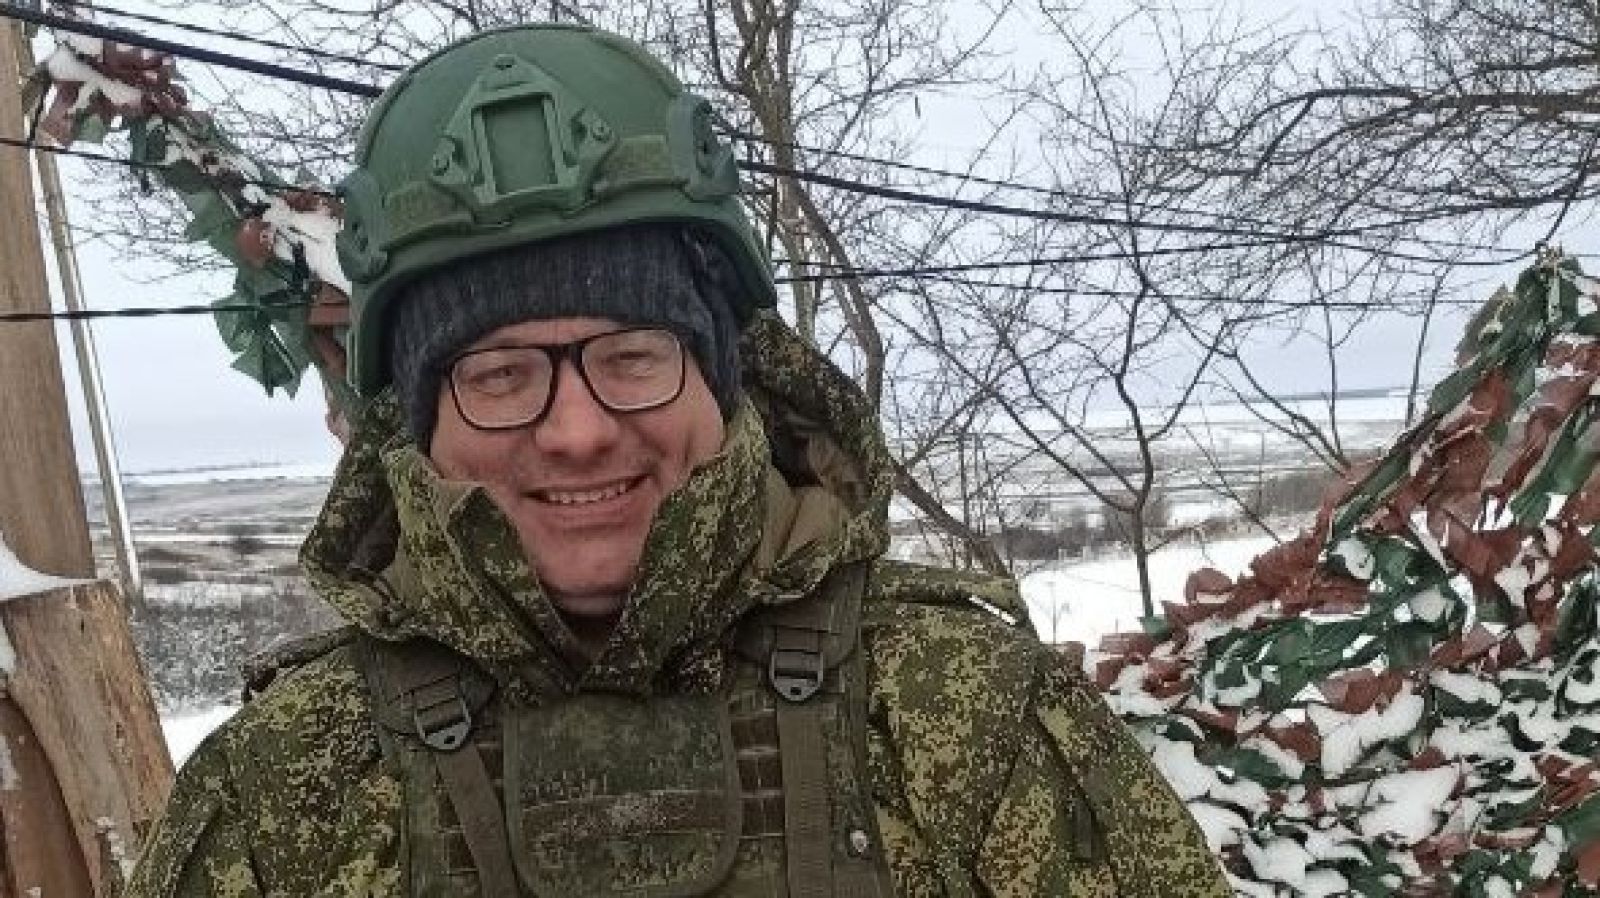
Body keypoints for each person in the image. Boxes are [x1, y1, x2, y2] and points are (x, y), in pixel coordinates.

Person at [125, 23, 1228, 898]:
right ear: (413, 427)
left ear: (723, 378)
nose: (577, 430)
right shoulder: (289, 783)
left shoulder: (959, 706)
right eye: (499, 374)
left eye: (632, 355)